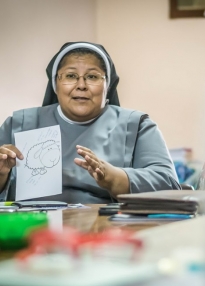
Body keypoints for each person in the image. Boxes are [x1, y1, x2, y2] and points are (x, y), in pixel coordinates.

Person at [0, 42, 180, 204]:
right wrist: (1, 174)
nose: (81, 85)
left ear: (107, 85)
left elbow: (169, 184)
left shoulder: (136, 125)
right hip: (29, 227)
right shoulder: (19, 124)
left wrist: (114, 178)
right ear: (56, 83)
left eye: (92, 77)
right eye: (70, 76)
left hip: (107, 228)